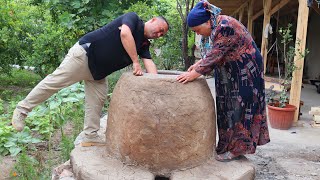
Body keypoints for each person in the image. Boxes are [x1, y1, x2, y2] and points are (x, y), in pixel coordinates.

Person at [12, 12, 169, 147]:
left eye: (162, 34)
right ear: (153, 20)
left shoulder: (144, 44)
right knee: (53, 83)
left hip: (98, 74)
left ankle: (90, 136)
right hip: (83, 56)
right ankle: (22, 110)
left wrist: (161, 88)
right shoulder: (133, 19)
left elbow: (150, 67)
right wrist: (135, 61)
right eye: (160, 30)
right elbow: (124, 34)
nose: (159, 34)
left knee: (97, 101)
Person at [176, 1, 270, 162]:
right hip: (230, 71)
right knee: (226, 108)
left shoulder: (225, 26)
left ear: (206, 22)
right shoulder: (216, 26)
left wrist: (195, 73)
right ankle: (226, 145)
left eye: (197, 30)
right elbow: (216, 51)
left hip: (245, 72)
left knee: (239, 109)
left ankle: (237, 149)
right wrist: (198, 64)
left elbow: (216, 53)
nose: (198, 34)